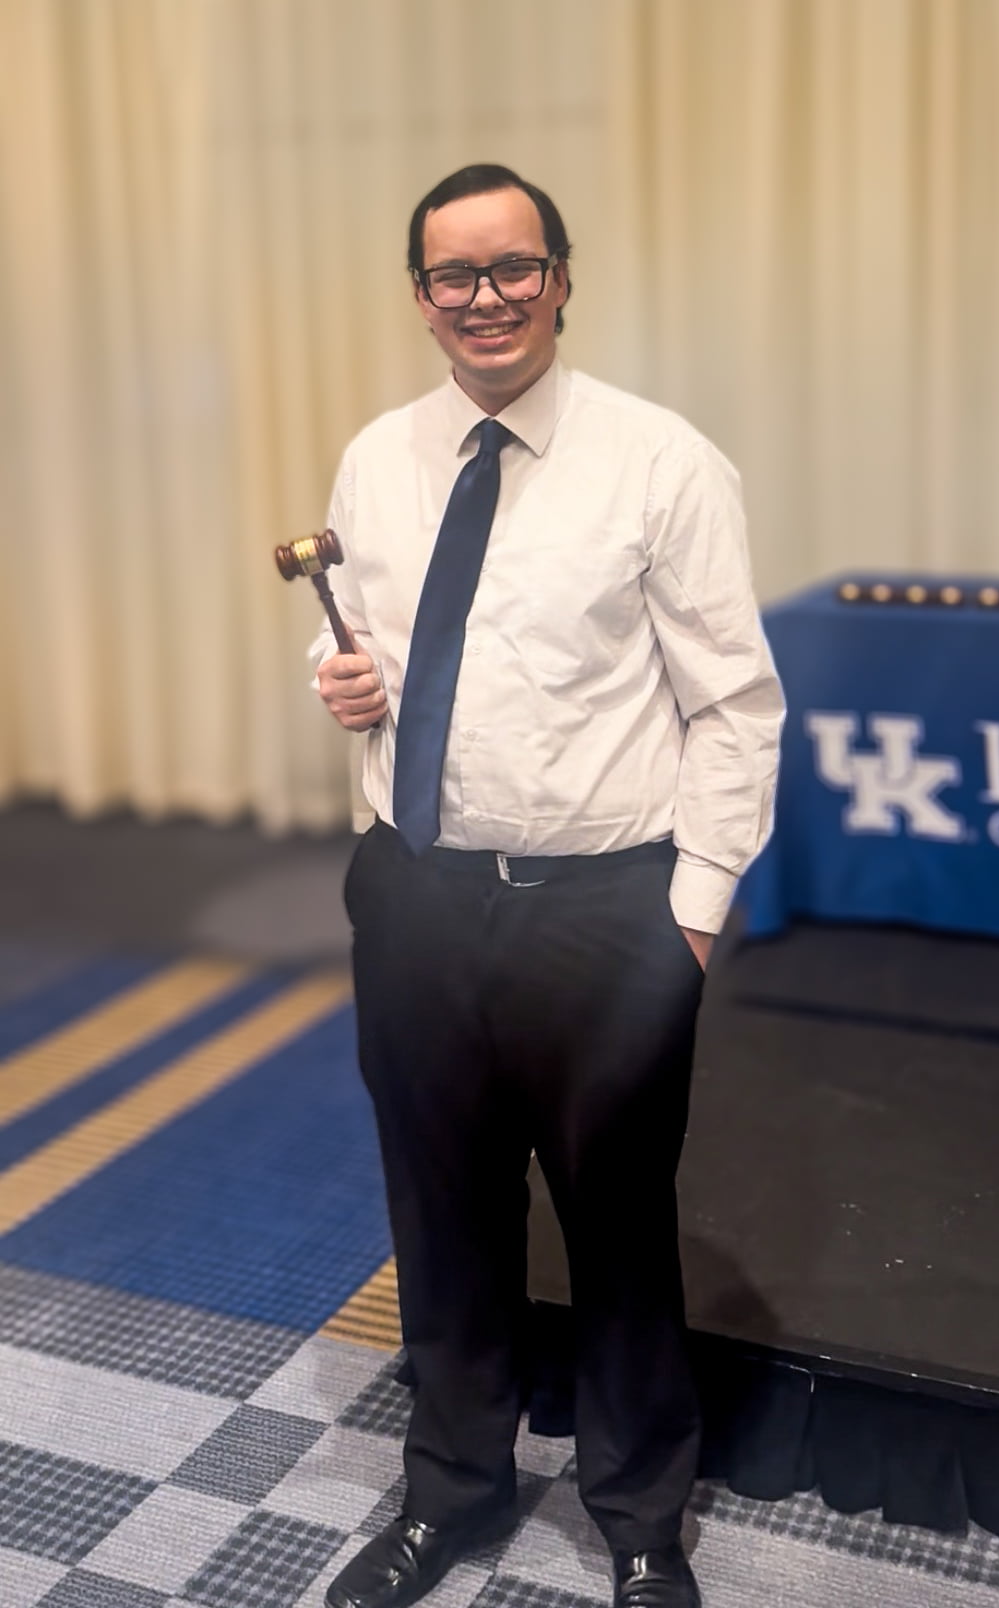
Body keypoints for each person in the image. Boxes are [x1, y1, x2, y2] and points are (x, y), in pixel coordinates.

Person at [312, 164, 784, 1608]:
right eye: (454, 276)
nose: (485, 300)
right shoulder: (377, 459)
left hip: (605, 914)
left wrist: (689, 922)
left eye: (514, 268)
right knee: (438, 1214)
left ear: (563, 279)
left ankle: (643, 1518)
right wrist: (339, 686)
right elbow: (369, 645)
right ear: (420, 298)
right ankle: (450, 1485)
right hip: (415, 897)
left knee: (619, 1222)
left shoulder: (663, 464)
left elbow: (737, 708)